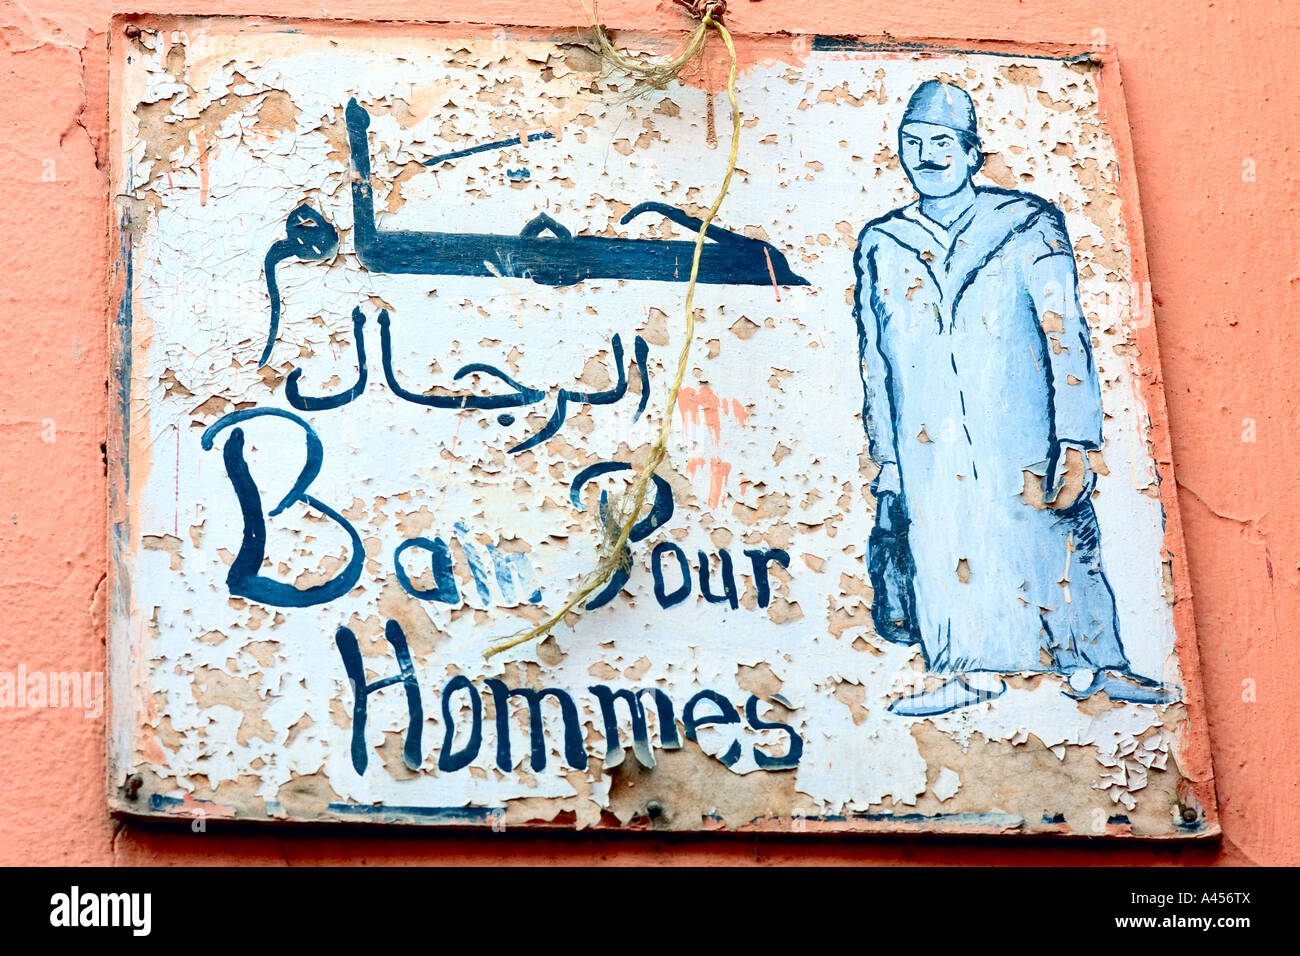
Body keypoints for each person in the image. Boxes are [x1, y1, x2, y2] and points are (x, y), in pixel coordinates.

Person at [853, 80, 1171, 716]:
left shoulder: (1027, 224)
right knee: (941, 544)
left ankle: (1095, 665)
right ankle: (963, 668)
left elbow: (1065, 335)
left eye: (942, 143)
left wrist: (1078, 437)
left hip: (1023, 427)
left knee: (1057, 537)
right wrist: (886, 454)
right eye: (912, 144)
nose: (927, 156)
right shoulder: (882, 242)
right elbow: (875, 359)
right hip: (928, 438)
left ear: (973, 153)